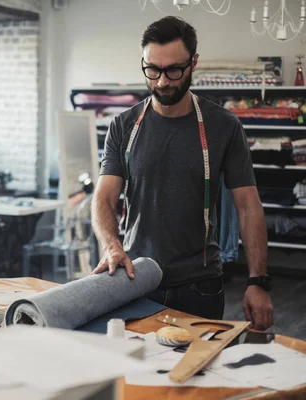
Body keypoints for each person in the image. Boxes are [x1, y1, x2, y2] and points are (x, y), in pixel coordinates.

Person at [91, 16, 274, 331]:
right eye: (152, 70)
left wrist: (257, 281)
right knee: (137, 373)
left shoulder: (224, 126)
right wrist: (111, 245)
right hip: (136, 278)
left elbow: (247, 205)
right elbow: (104, 197)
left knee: (199, 372)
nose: (162, 81)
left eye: (173, 70)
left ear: (194, 63)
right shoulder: (123, 127)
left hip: (200, 287)